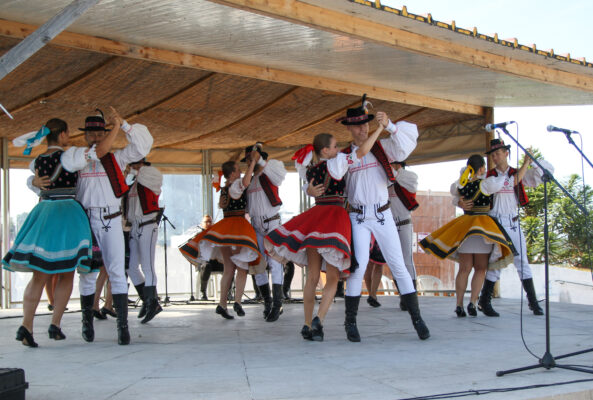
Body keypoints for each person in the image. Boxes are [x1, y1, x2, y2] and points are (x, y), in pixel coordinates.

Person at [265, 125, 383, 341]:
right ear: (325, 150)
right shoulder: (337, 162)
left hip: (315, 218)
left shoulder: (311, 170)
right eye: (335, 146)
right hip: (335, 218)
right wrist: (379, 130)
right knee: (333, 277)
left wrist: (309, 191)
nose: (338, 149)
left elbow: (307, 187)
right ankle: (319, 319)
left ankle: (306, 324)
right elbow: (361, 152)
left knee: (312, 277)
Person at [55, 107, 153, 344]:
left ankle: (123, 327)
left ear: (106, 134)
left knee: (117, 270)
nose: (96, 137)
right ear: (85, 135)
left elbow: (143, 147)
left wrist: (124, 124)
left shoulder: (117, 158)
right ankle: (87, 322)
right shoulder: (76, 156)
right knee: (88, 272)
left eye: (100, 133)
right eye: (92, 133)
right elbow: (64, 168)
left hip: (111, 219)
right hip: (85, 220)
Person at [338, 95, 429, 341]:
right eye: (358, 125)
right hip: (358, 216)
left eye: (365, 124)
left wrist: (390, 126)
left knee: (398, 264)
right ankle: (350, 323)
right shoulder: (344, 156)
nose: (363, 128)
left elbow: (405, 146)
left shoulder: (382, 148)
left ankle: (417, 320)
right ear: (349, 128)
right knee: (358, 268)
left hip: (382, 214)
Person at [3, 118, 93, 347]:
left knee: (39, 275)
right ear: (62, 134)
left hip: (43, 212)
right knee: (67, 272)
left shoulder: (37, 161)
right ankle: (55, 324)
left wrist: (34, 182)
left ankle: (26, 325)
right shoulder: (69, 156)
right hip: (66, 214)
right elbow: (94, 153)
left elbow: (34, 183)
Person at [458, 139, 551, 317]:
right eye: (492, 154)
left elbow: (540, 176)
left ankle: (532, 302)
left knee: (521, 261)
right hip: (495, 222)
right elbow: (464, 188)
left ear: (506, 153)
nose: (495, 157)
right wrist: (460, 201)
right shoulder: (489, 176)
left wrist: (531, 161)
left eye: (498, 153)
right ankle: (485, 301)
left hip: (513, 221)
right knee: (496, 261)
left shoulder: (517, 173)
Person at [420, 154, 516, 317]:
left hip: (465, 228)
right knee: (480, 268)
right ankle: (472, 302)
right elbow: (502, 181)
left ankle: (459, 305)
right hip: (482, 229)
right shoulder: (487, 184)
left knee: (464, 269)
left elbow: (454, 192)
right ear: (481, 168)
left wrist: (460, 200)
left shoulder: (461, 184)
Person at [188, 157, 264, 319]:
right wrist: (252, 164)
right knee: (242, 268)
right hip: (237, 228)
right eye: (238, 170)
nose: (240, 172)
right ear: (232, 174)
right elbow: (245, 182)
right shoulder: (236, 185)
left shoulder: (224, 189)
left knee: (229, 269)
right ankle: (237, 302)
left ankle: (222, 304)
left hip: (225, 229)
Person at [242, 143, 288, 322]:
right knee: (258, 264)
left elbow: (280, 174)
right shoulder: (250, 179)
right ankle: (267, 302)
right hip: (256, 226)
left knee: (275, 263)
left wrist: (259, 160)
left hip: (272, 223)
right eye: (248, 160)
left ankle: (278, 304)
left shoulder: (270, 171)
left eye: (250, 158)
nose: (249, 162)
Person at [125, 157, 163, 324]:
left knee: (147, 266)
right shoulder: (134, 180)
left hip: (148, 224)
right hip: (134, 226)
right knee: (131, 267)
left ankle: (152, 303)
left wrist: (132, 171)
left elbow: (152, 178)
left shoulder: (150, 173)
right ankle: (147, 300)